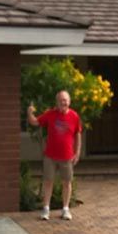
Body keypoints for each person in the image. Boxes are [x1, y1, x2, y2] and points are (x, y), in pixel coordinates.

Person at [27, 90, 82, 220]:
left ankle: (65, 209)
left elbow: (78, 134)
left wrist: (77, 152)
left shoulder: (74, 116)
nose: (63, 102)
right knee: (48, 181)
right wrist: (29, 113)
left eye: (65, 100)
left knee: (67, 182)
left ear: (69, 101)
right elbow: (35, 122)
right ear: (57, 102)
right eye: (61, 100)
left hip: (67, 156)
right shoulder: (50, 114)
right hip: (50, 156)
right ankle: (46, 209)